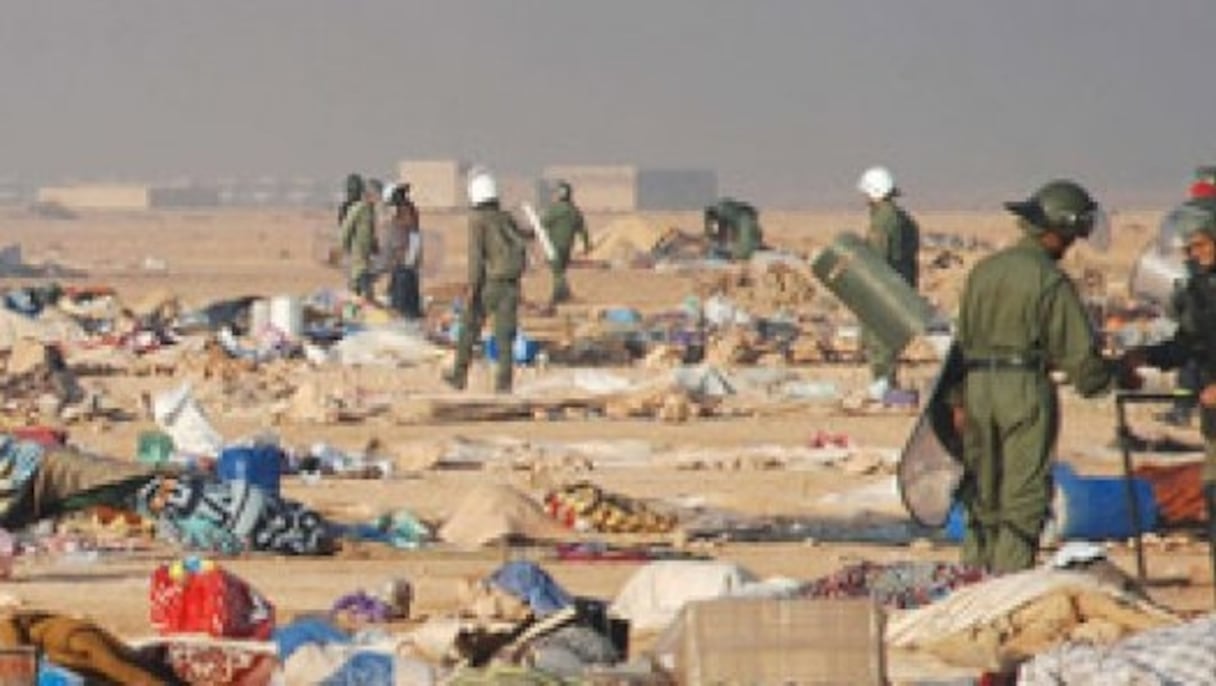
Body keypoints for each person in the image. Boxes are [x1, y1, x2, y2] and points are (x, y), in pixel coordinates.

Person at [953, 179, 1138, 573]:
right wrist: (1115, 374)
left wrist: (957, 400)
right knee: (1023, 499)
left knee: (981, 495)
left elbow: (960, 343)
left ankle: (970, 584)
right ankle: (1007, 589)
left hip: (974, 389)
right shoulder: (1049, 281)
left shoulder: (985, 271)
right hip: (1023, 390)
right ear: (1061, 229)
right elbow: (1080, 360)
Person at [1130, 198, 1216, 587]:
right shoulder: (1202, 289)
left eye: (1201, 246)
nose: (1195, 256)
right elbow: (1193, 343)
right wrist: (1149, 356)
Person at [444, 168, 527, 393]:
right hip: (510, 285)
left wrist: (472, 287)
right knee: (504, 337)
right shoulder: (507, 218)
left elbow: (476, 257)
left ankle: (459, 376)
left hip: (488, 285)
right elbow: (524, 239)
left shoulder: (478, 221)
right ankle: (504, 384)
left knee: (469, 330)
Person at [856, 166, 920, 400]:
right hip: (901, 285)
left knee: (880, 341)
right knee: (890, 339)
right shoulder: (904, 219)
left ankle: (886, 390)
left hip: (885, 288)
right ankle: (888, 387)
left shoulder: (884, 220)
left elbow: (878, 258)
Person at [540, 180, 589, 309]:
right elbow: (583, 230)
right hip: (567, 246)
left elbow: (543, 224)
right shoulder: (575, 211)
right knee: (561, 271)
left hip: (554, 246)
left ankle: (559, 296)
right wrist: (586, 245)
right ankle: (561, 294)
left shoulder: (554, 210)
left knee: (557, 272)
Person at [383, 182, 424, 319]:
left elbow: (414, 235)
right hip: (401, 265)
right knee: (401, 300)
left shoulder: (407, 211)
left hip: (405, 266)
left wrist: (410, 260)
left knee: (403, 305)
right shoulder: (402, 211)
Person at [340, 175, 380, 301]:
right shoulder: (358, 208)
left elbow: (369, 232)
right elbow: (345, 231)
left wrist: (374, 246)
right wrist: (345, 248)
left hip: (365, 258)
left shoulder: (369, 209)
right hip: (358, 258)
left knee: (361, 288)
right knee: (362, 289)